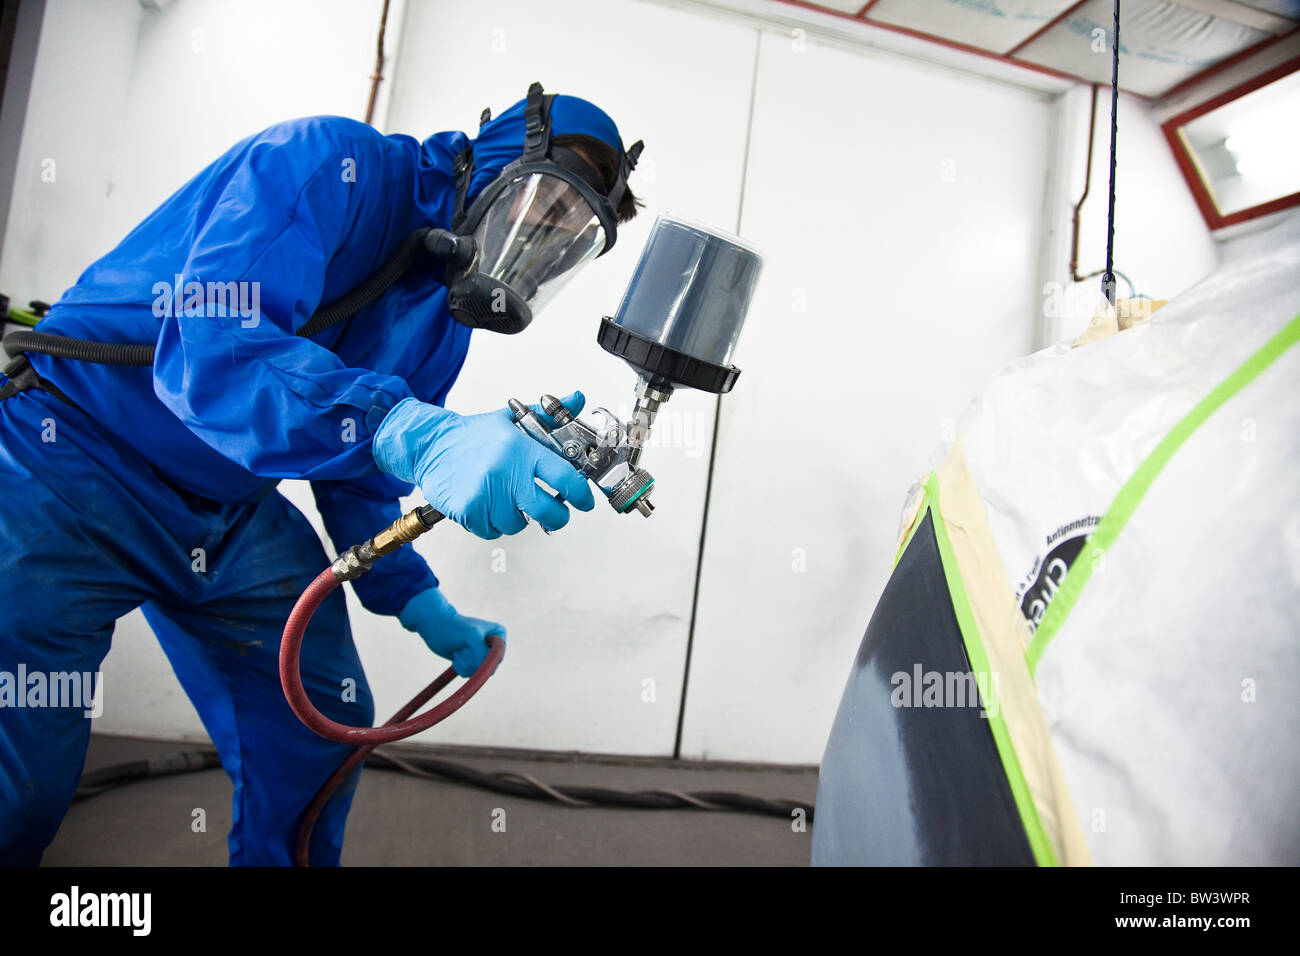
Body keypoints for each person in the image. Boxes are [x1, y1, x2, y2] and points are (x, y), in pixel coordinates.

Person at [0, 83, 642, 865]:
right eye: (543, 206)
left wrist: (421, 604)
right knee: (18, 789)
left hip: (228, 510)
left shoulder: (441, 323)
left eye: (565, 237)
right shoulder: (327, 164)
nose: (538, 239)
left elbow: (362, 477)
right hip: (67, 461)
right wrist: (411, 429)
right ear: (503, 156)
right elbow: (214, 349)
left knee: (321, 722)